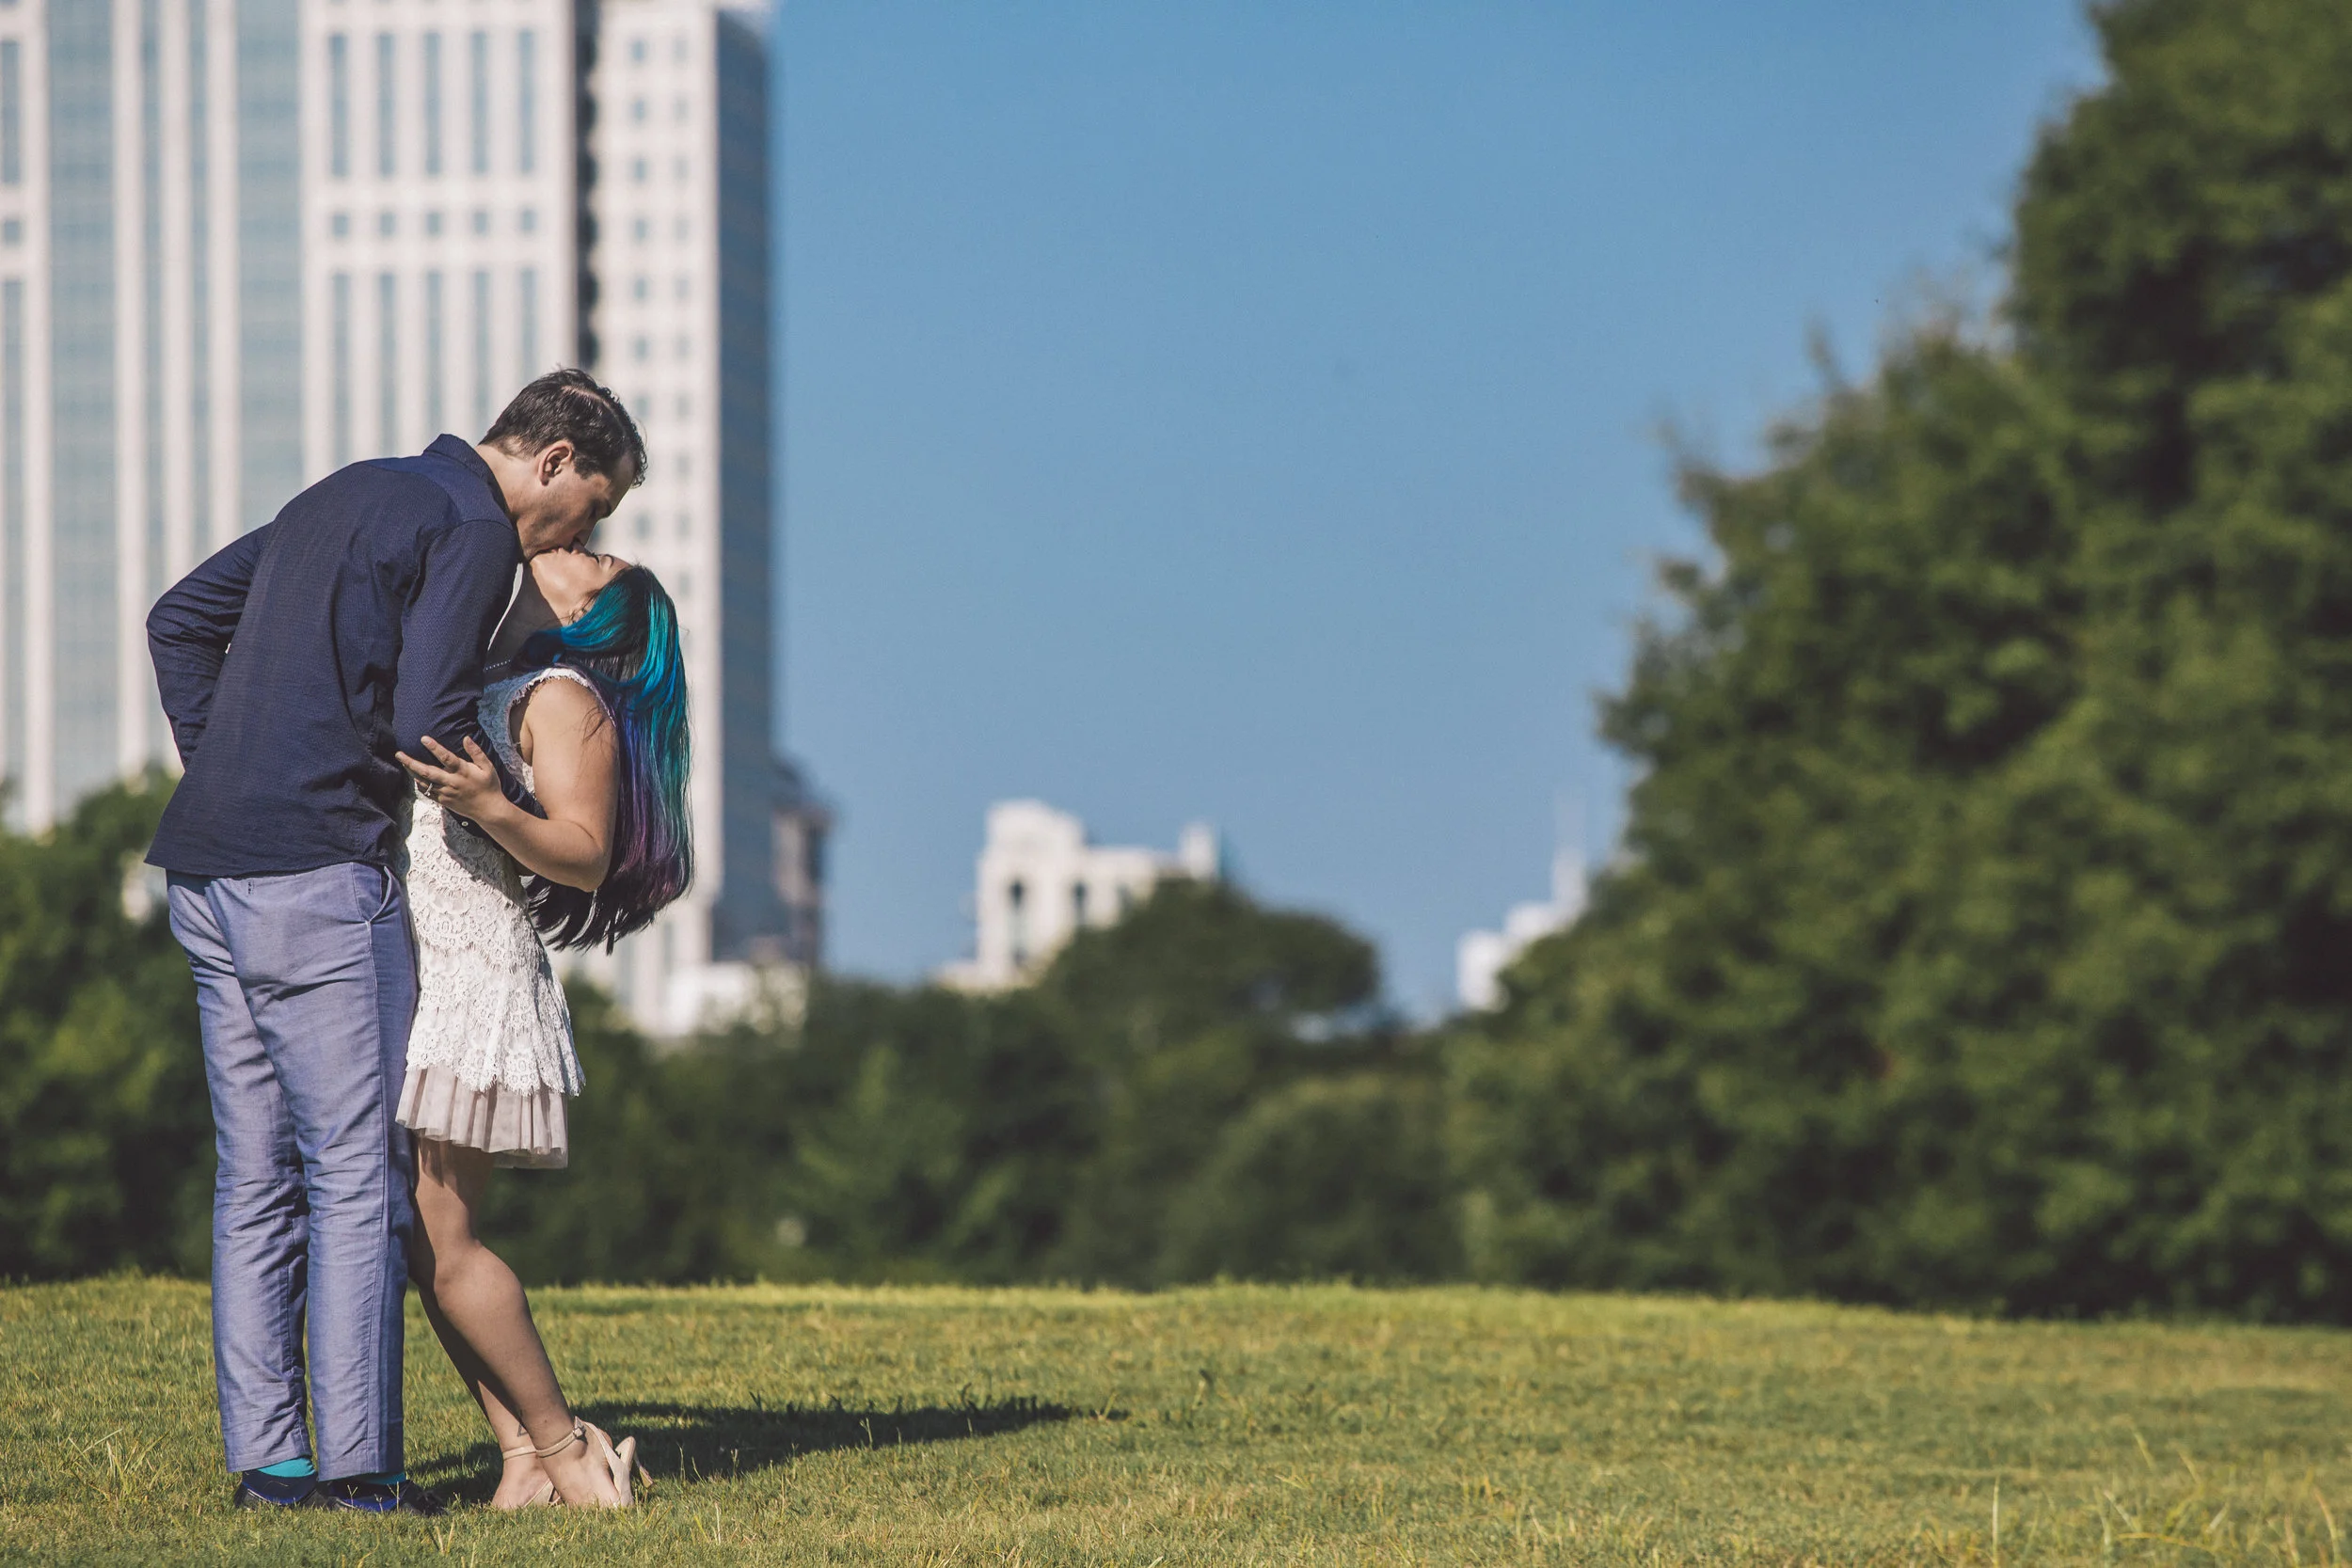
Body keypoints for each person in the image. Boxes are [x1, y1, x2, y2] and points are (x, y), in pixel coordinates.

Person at [145, 370, 640, 1514]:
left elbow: (179, 617)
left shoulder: (347, 489)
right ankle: (362, 1470)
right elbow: (427, 720)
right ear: (554, 461)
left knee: (255, 1174)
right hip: (318, 873)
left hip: (207, 867)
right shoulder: (474, 524)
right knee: (357, 1173)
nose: (582, 531)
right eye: (595, 504)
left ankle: (272, 1464)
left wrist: (223, 765)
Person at [393, 543, 692, 1510]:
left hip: (469, 972)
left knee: (445, 1238)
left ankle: (569, 1450)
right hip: (430, 957)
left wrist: (488, 803)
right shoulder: (499, 672)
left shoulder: (566, 696)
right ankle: (523, 1454)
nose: (571, 545)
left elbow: (586, 851)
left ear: (598, 619)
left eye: (595, 558)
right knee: (423, 1241)